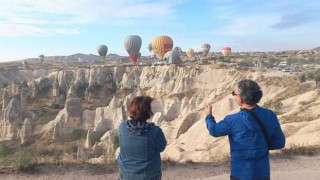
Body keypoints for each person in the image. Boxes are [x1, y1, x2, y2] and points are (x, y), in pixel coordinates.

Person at [205, 79, 285, 180]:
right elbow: (280, 143)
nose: (233, 96)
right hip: (263, 173)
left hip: (240, 174)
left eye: (234, 93)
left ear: (241, 98)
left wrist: (209, 116)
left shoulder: (232, 120)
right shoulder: (270, 115)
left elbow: (214, 130)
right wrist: (261, 147)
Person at [117, 96, 167, 180]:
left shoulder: (122, 128)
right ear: (148, 112)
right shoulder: (155, 132)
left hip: (125, 176)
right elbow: (162, 147)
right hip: (149, 176)